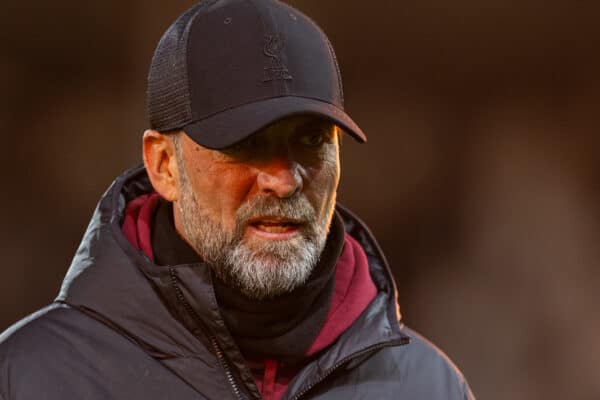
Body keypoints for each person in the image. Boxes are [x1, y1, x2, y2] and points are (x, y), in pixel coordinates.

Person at [0, 0, 475, 399]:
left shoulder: (427, 386)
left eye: (311, 141)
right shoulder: (31, 377)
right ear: (165, 165)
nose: (283, 181)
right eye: (246, 144)